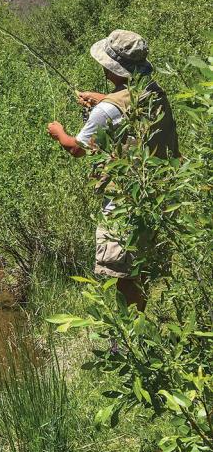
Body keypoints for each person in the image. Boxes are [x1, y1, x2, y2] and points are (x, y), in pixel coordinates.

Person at [46, 29, 179, 311]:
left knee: (122, 276)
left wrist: (58, 133)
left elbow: (76, 149)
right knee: (140, 270)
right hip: (158, 198)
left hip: (124, 204)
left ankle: (131, 339)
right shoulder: (154, 93)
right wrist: (104, 99)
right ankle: (142, 330)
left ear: (112, 67)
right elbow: (128, 103)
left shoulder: (107, 110)